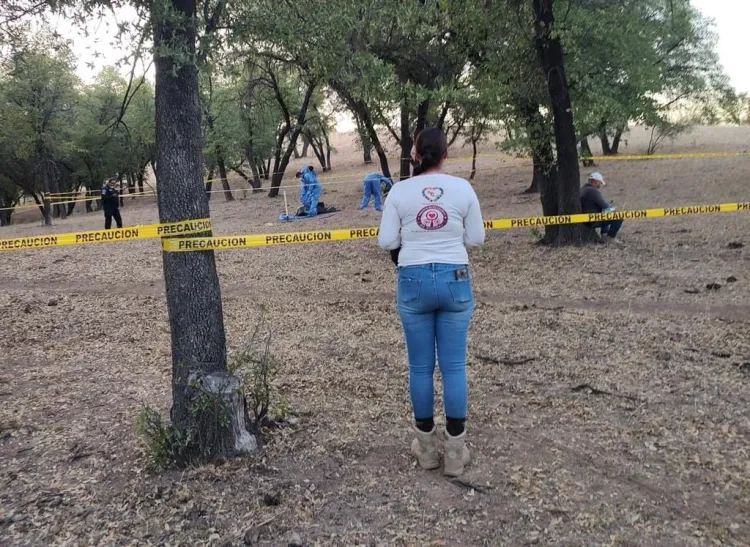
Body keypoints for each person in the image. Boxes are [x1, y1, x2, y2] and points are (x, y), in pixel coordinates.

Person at [378, 128, 485, 477]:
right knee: (454, 367)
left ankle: (425, 448)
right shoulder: (463, 188)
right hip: (455, 279)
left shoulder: (399, 191)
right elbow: (477, 238)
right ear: (446, 155)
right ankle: (455, 452)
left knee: (420, 367)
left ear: (416, 156)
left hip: (413, 280)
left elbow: (385, 241)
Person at [581, 172, 622, 242]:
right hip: (592, 220)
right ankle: (609, 237)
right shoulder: (593, 191)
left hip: (582, 218)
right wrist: (611, 207)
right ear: (597, 182)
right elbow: (605, 206)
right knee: (618, 216)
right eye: (600, 183)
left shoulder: (582, 189)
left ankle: (604, 234)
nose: (600, 185)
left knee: (605, 211)